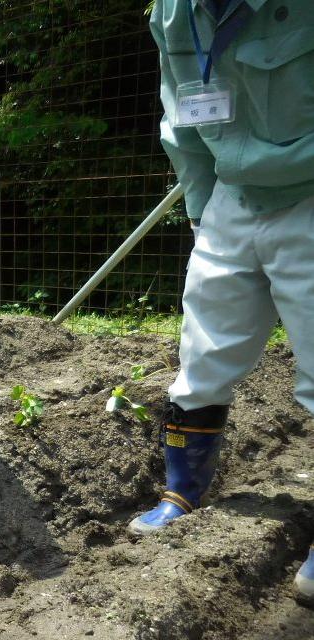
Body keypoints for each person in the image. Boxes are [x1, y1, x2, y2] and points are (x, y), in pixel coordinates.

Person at [134, 1, 314, 597]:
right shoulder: (176, 11)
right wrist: (201, 207)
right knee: (202, 353)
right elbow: (180, 118)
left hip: (310, 193)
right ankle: (181, 492)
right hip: (229, 197)